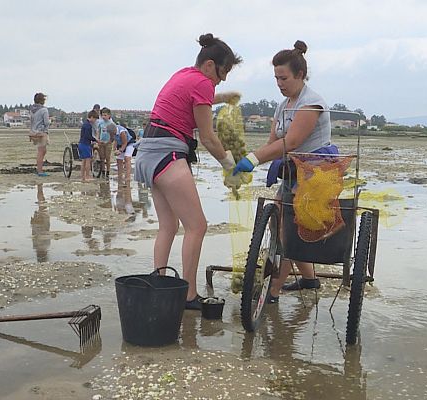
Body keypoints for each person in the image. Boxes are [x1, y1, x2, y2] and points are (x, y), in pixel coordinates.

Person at [134, 33, 242, 310]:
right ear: (209, 65)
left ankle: (159, 282)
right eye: (223, 71)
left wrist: (221, 98)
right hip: (167, 154)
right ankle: (189, 295)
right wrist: (230, 167)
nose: (224, 78)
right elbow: (207, 137)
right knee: (198, 226)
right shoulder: (203, 82)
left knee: (169, 225)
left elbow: (194, 98)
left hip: (148, 153)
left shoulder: (185, 74)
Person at [233, 40, 337, 303]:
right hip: (292, 173)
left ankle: (273, 291)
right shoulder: (284, 105)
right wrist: (247, 164)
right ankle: (310, 279)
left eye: (284, 78)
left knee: (288, 232)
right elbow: (273, 143)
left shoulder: (311, 103)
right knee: (281, 223)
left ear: (300, 75)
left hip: (315, 175)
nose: (279, 83)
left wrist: (253, 159)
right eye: (276, 78)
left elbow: (291, 142)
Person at [29, 92, 51, 176]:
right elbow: (46, 122)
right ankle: (40, 171)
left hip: (34, 132)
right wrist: (50, 121)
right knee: (41, 152)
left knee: (41, 151)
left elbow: (31, 121)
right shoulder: (44, 110)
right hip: (41, 133)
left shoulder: (32, 110)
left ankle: (39, 169)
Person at [79, 110, 99, 182]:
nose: (95, 121)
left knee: (83, 161)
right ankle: (87, 176)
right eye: (95, 119)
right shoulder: (88, 125)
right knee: (88, 160)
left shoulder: (85, 124)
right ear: (92, 117)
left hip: (81, 143)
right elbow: (88, 136)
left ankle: (83, 177)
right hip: (85, 144)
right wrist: (96, 140)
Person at [96, 107, 116, 177]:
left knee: (107, 158)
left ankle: (108, 171)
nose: (104, 117)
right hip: (101, 142)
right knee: (102, 157)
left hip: (108, 143)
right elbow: (98, 131)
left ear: (109, 115)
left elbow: (113, 135)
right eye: (102, 115)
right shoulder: (100, 123)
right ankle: (103, 171)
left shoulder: (112, 124)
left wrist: (109, 142)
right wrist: (98, 139)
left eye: (105, 115)